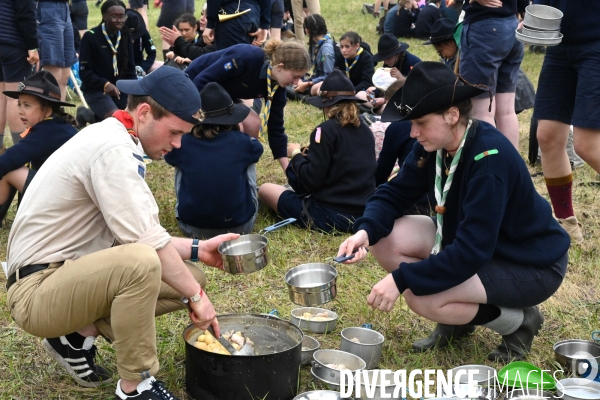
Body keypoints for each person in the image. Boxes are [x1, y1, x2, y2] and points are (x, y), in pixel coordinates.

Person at [5, 66, 239, 400]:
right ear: (144, 113)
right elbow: (145, 245)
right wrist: (199, 301)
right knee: (145, 265)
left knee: (188, 277)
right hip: (36, 292)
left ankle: (74, 335)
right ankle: (135, 386)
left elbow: (137, 235)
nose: (178, 143)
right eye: (174, 132)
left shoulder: (114, 137)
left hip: (63, 274)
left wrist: (199, 249)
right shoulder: (112, 149)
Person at [336, 62, 569, 361]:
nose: (412, 133)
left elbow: (471, 252)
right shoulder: (435, 145)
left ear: (452, 115)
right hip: (479, 244)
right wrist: (364, 231)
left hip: (529, 263)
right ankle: (458, 321)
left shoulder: (489, 159)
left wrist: (400, 279)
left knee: (422, 297)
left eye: (420, 122)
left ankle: (521, 322)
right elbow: (394, 193)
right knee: (384, 238)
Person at [259, 70, 377, 233]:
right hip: (362, 213)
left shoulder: (325, 130)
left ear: (328, 104)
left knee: (266, 189)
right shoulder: (365, 130)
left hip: (330, 215)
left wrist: (295, 154)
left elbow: (310, 181)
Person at [185, 39, 310, 172]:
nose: (297, 82)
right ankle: (219, 163)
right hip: (194, 85)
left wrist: (288, 170)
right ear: (280, 66)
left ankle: (241, 169)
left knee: (253, 123)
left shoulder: (277, 86)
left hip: (225, 95)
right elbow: (202, 80)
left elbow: (276, 127)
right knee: (238, 126)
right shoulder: (246, 57)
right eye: (295, 76)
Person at [534, 0, 600, 244]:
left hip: (596, 43)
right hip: (560, 45)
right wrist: (536, 19)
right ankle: (566, 224)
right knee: (548, 136)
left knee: (587, 145)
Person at [165, 83, 263, 238]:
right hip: (240, 227)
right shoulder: (243, 142)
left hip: (191, 228)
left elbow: (169, 158)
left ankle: (189, 208)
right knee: (249, 159)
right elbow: (258, 150)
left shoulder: (183, 142)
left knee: (180, 162)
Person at [0, 71, 77, 225]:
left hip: (66, 204)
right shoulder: (54, 125)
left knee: (10, 170)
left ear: (47, 110)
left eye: (27, 105)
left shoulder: (46, 132)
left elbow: (8, 160)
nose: (20, 110)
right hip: (68, 197)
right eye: (19, 104)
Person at [459, 0, 525, 148]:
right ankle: (510, 167)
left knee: (481, 112)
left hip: (484, 26)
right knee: (506, 112)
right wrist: (523, 9)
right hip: (512, 24)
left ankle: (491, 167)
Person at [79, 0, 136, 121]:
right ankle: (93, 115)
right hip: (96, 89)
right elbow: (85, 73)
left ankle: (88, 116)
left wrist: (134, 91)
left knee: (133, 118)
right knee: (117, 120)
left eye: (122, 16)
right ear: (104, 16)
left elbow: (130, 69)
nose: (119, 20)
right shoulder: (91, 37)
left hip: (120, 89)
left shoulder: (125, 35)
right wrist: (105, 84)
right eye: (114, 16)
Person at [0, 0, 39, 152]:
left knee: (1, 97)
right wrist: (32, 46)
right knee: (14, 98)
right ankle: (21, 151)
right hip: (12, 42)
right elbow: (26, 13)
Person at [364, 33, 421, 112]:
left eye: (388, 58)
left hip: (407, 100)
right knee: (361, 94)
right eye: (384, 58)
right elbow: (384, 83)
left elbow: (416, 90)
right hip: (389, 95)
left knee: (386, 108)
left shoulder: (413, 63)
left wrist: (401, 78)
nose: (385, 62)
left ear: (397, 53)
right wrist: (374, 94)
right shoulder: (389, 62)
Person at [36, 0, 78, 102]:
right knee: (53, 75)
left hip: (65, 8)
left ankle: (59, 112)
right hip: (48, 8)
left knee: (64, 76)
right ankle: (48, 115)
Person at [287, 14, 334, 99]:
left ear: (307, 30)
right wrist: (299, 78)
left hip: (326, 82)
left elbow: (329, 76)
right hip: (317, 78)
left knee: (313, 89)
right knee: (288, 82)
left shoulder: (326, 49)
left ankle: (306, 97)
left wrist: (307, 84)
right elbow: (308, 65)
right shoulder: (315, 43)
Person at [204, 0, 271, 50]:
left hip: (232, 15)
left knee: (229, 62)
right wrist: (264, 25)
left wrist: (210, 23)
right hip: (253, 14)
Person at [126, 9, 161, 75]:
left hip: (140, 64)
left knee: (164, 67)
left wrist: (143, 68)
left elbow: (152, 52)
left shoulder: (143, 32)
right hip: (122, 68)